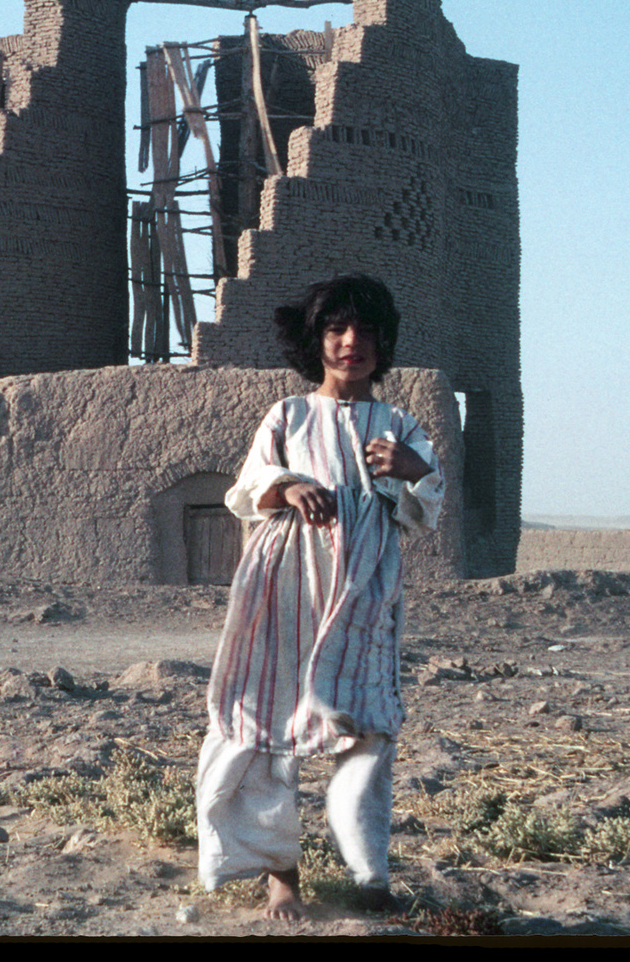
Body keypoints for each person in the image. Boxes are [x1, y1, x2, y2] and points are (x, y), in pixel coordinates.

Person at [195, 272, 444, 922]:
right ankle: (282, 875)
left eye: (364, 330)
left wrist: (415, 473)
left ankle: (369, 875)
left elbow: (425, 511)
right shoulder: (288, 415)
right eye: (336, 329)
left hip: (363, 595)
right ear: (317, 341)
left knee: (366, 727)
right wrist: (288, 486)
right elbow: (246, 489)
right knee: (273, 721)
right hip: (284, 588)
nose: (350, 342)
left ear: (382, 341)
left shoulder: (399, 424)